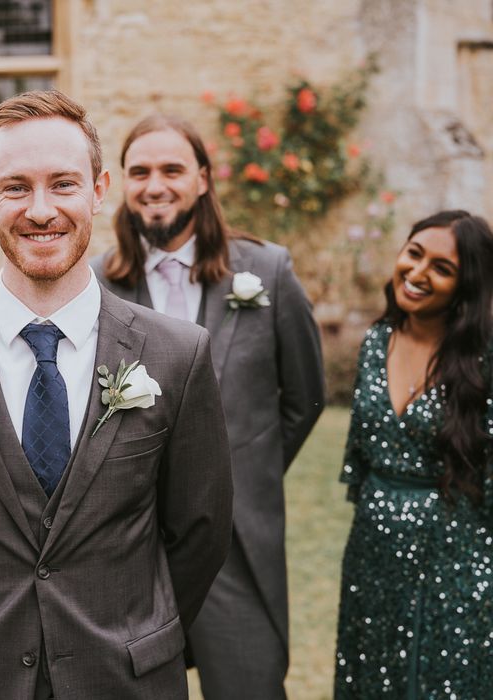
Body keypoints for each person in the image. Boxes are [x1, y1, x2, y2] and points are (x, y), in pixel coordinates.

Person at [0, 90, 233, 700]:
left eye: (63, 184)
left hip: (124, 679)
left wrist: (137, 635)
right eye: (15, 188)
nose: (41, 210)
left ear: (98, 189)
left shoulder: (178, 355)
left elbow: (199, 533)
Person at [92, 114, 324, 700]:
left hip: (234, 545)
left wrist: (241, 470)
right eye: (139, 171)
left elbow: (305, 399)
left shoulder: (266, 271)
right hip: (127, 547)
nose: (155, 184)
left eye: (172, 169)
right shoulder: (94, 285)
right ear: (123, 182)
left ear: (202, 179)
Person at [335, 210, 493, 698]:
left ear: (466, 285)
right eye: (415, 253)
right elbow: (359, 455)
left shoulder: (482, 362)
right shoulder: (376, 341)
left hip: (457, 550)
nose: (418, 273)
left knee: (445, 678)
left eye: (442, 268)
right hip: (373, 547)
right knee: (369, 670)